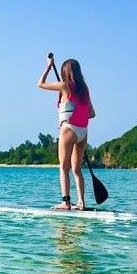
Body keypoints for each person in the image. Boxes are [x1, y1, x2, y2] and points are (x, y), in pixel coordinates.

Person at [38, 54, 95, 210]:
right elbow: (92, 113)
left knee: (64, 168)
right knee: (77, 170)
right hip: (83, 132)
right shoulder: (85, 89)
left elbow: (40, 84)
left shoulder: (64, 86)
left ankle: (66, 202)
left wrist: (49, 67)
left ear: (65, 72)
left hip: (68, 129)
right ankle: (81, 203)